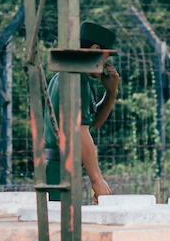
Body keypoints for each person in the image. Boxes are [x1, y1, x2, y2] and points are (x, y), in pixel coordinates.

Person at [43, 21, 119, 197]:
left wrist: (111, 93)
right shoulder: (78, 81)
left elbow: (94, 123)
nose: (106, 65)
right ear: (95, 49)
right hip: (60, 168)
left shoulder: (64, 74)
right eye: (105, 58)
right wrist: (97, 180)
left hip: (55, 167)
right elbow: (80, 132)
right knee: (63, 222)